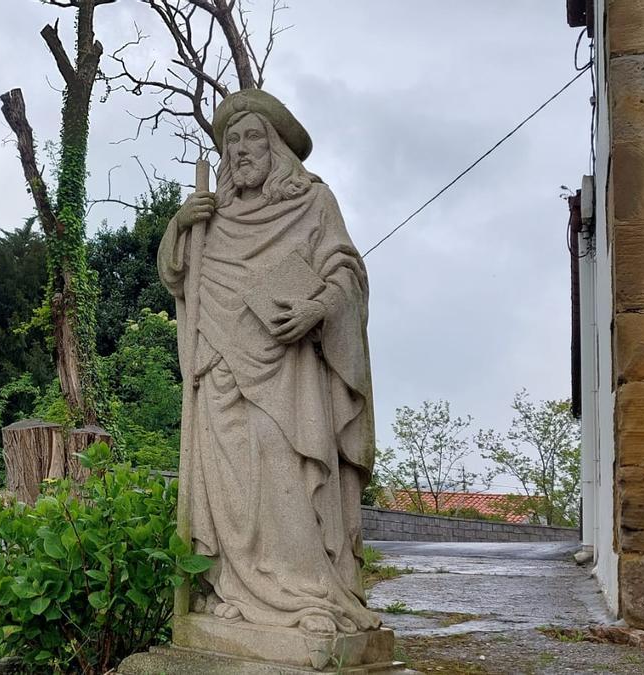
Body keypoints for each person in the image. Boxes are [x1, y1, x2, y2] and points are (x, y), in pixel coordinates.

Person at [157, 88, 380, 636]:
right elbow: (178, 277)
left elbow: (346, 274)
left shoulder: (312, 203)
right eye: (231, 141)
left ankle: (306, 592)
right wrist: (181, 227)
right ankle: (234, 589)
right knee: (229, 490)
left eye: (252, 137)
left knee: (287, 477)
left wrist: (316, 309)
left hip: (287, 368)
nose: (240, 150)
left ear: (277, 146)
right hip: (217, 367)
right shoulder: (210, 216)